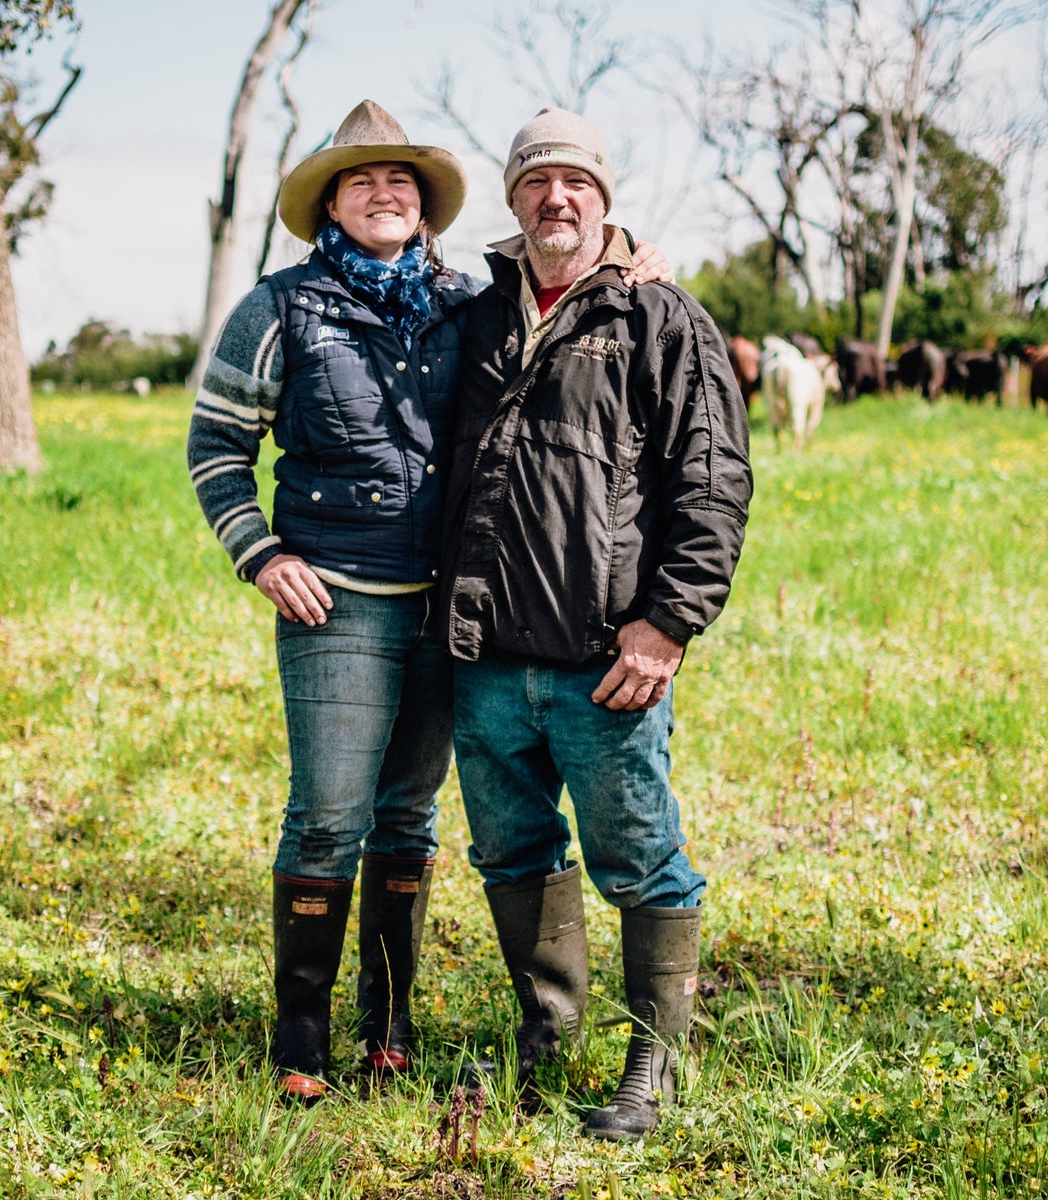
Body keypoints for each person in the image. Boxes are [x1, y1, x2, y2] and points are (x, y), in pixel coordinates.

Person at [186, 100, 671, 1102]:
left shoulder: (464, 304)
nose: (384, 192)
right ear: (328, 201)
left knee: (406, 820)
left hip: (452, 611)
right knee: (326, 818)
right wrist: (261, 552)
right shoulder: (278, 310)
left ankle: (391, 1023)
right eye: (361, 179)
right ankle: (301, 1039)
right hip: (338, 607)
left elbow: (568, 286)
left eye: (401, 180)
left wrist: (629, 260)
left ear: (426, 204)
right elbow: (216, 447)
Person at [440, 108, 752, 1141]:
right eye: (535, 182)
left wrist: (666, 626)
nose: (555, 198)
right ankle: (549, 1032)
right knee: (512, 850)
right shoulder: (476, 313)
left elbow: (712, 480)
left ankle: (653, 1061)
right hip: (487, 656)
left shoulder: (660, 319)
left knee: (639, 856)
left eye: (575, 181)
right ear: (512, 198)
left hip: (604, 658)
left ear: (605, 197)